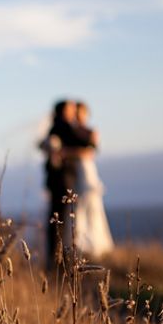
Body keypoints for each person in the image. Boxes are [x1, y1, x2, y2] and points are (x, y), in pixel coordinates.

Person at [39, 99, 92, 271]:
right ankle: (58, 259)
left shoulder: (55, 127)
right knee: (61, 219)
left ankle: (55, 257)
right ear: (63, 111)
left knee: (57, 219)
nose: (73, 111)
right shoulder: (64, 126)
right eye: (70, 108)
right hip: (63, 180)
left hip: (57, 180)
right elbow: (85, 142)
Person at [71, 102, 114, 259]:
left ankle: (95, 245)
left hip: (87, 169)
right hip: (78, 170)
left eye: (81, 113)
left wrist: (66, 153)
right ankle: (80, 243)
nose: (78, 115)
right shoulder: (71, 131)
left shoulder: (91, 131)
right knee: (79, 205)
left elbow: (92, 151)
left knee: (92, 203)